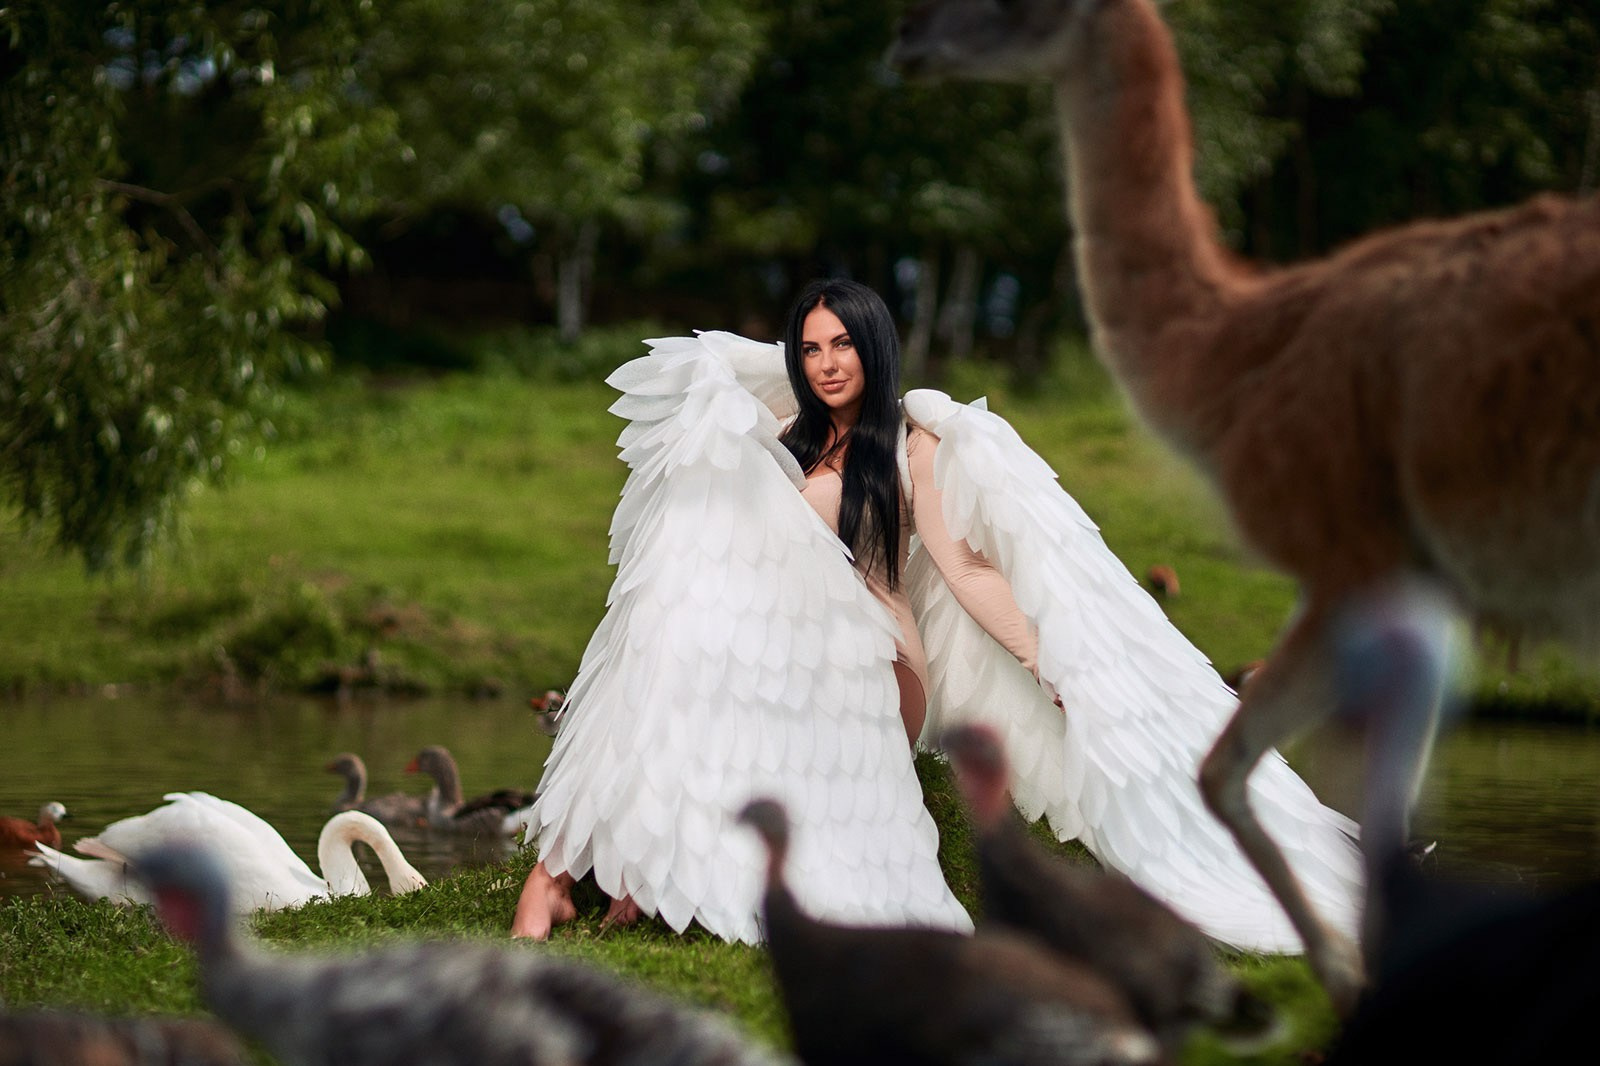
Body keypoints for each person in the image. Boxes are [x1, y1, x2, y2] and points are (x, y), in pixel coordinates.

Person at [512, 279, 1364, 952]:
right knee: (681, 604)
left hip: (877, 662)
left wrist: (1045, 661)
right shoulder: (783, 435)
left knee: (701, 636)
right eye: (809, 348)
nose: (826, 364)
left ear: (875, 348)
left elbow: (965, 570)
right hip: (780, 656)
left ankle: (585, 879)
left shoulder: (912, 444)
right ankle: (592, 872)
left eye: (843, 344)